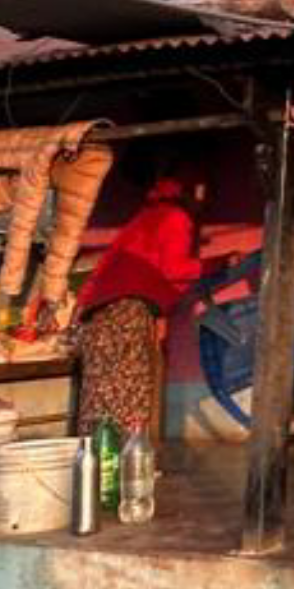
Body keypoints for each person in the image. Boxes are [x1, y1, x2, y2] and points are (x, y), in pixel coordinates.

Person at [70, 167, 204, 438]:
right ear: (187, 193)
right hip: (126, 313)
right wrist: (215, 263)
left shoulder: (143, 219)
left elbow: (104, 268)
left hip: (97, 316)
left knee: (99, 395)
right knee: (129, 393)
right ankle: (128, 466)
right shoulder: (175, 219)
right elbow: (174, 269)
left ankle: (96, 464)